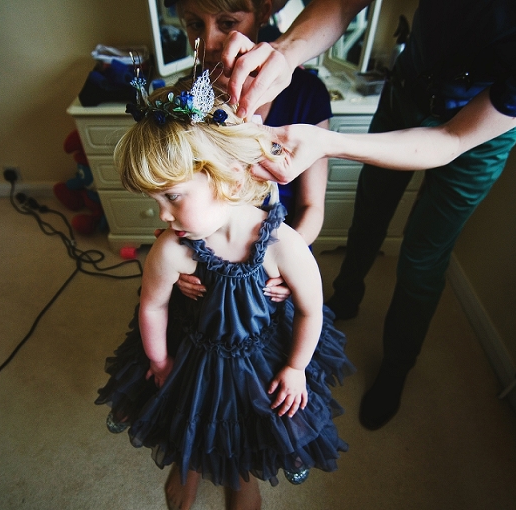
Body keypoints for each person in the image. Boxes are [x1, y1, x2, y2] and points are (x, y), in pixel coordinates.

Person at [219, 0, 516, 431]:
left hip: (478, 135)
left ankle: (396, 366)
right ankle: (347, 295)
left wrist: (328, 142)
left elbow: (452, 138)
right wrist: (286, 52)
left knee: (422, 259)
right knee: (369, 212)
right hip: (405, 89)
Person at [95, 76, 353, 510]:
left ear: (230, 175)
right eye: (156, 199)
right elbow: (152, 304)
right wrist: (159, 360)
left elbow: (311, 311)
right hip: (194, 346)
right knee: (190, 413)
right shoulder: (173, 248)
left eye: (173, 196)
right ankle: (189, 466)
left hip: (261, 351)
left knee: (249, 423)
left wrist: (294, 368)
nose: (161, 214)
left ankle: (240, 478)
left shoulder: (282, 244)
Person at [165, 0, 332, 303]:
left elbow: (312, 207)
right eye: (195, 25)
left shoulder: (308, 95)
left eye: (228, 24)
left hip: (280, 254)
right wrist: (174, 256)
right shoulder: (183, 98)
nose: (211, 42)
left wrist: (287, 261)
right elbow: (174, 191)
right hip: (206, 261)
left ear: (264, 13)